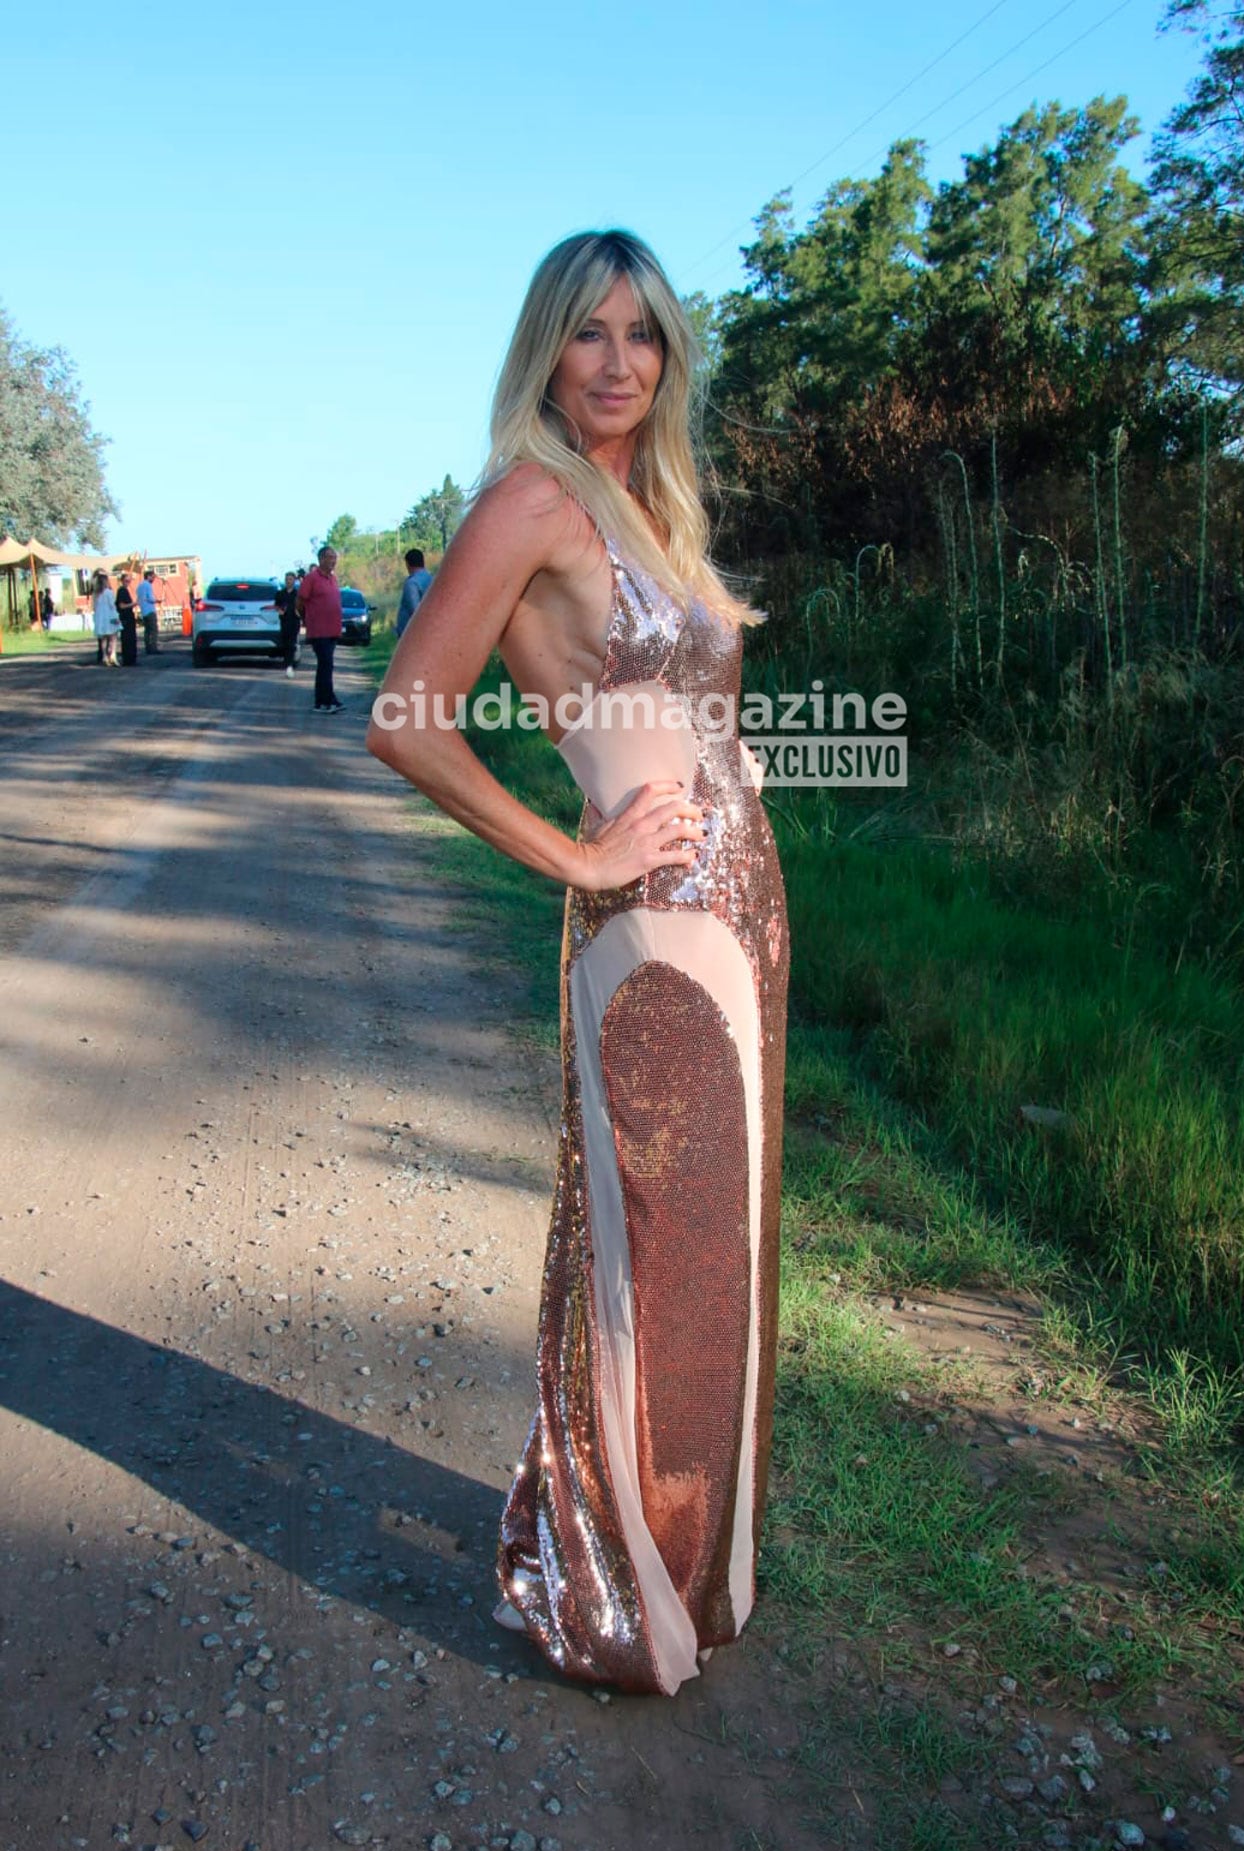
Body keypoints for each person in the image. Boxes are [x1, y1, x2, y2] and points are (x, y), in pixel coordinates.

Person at [367, 230, 789, 1696]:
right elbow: (408, 717)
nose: (619, 362)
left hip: (740, 922)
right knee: (657, 1257)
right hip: (656, 927)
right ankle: (612, 1582)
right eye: (590, 333)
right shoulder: (535, 501)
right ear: (546, 349)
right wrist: (577, 854)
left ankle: (678, 1561)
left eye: (645, 335)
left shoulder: (651, 507)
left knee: (716, 1256)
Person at [298, 546, 344, 712]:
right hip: (319, 630)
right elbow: (301, 601)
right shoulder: (311, 578)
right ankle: (327, 701)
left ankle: (323, 700)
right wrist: (307, 619)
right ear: (321, 559)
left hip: (333, 629)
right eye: (330, 557)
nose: (334, 561)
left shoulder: (332, 578)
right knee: (325, 663)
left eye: (335, 557)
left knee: (327, 665)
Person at [395, 547, 434, 637]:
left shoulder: (412, 583)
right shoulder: (431, 579)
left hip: (412, 634)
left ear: (408, 564)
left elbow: (415, 610)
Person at [274, 571, 301, 675]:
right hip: (284, 621)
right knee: (285, 643)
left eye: (290, 579)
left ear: (294, 580)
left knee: (292, 643)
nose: (288, 582)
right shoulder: (280, 594)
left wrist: (299, 613)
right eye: (287, 580)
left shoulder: (298, 594)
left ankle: (290, 664)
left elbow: (303, 606)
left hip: (294, 622)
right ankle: (286, 662)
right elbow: (276, 606)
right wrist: (280, 611)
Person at [93, 573, 121, 666]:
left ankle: (104, 656)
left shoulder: (96, 594)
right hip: (110, 616)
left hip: (100, 618)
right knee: (113, 636)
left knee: (103, 638)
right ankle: (113, 654)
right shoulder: (108, 592)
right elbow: (112, 605)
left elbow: (95, 607)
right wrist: (116, 616)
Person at [115, 575, 139, 667]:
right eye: (126, 581)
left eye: (129, 581)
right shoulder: (121, 591)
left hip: (129, 617)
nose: (128, 583)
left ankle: (131, 659)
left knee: (131, 639)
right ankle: (128, 660)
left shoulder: (125, 590)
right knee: (127, 639)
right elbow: (121, 605)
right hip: (125, 617)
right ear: (122, 581)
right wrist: (133, 604)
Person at [136, 568, 161, 653]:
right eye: (153, 577)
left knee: (147, 630)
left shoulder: (139, 586)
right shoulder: (148, 585)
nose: (153, 579)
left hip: (143, 610)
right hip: (150, 610)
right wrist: (157, 600)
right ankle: (153, 648)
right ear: (148, 576)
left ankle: (147, 648)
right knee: (154, 630)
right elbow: (150, 598)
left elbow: (139, 598)